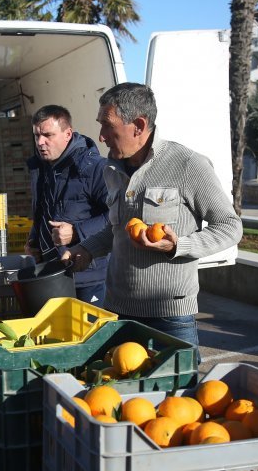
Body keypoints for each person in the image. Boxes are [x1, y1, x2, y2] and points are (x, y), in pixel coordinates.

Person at [61, 83, 242, 358]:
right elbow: (117, 229)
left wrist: (177, 246)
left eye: (108, 126)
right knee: (120, 396)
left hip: (170, 318)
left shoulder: (187, 165)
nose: (101, 136)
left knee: (178, 398)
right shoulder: (111, 168)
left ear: (139, 125)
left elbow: (230, 226)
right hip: (118, 312)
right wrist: (86, 250)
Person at [24, 105, 110, 305]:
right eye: (36, 135)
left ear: (67, 134)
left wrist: (77, 232)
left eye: (48, 135)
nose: (40, 142)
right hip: (51, 274)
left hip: (88, 276)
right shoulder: (41, 167)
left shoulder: (96, 168)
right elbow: (44, 210)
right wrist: (34, 240)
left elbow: (118, 216)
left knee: (91, 335)